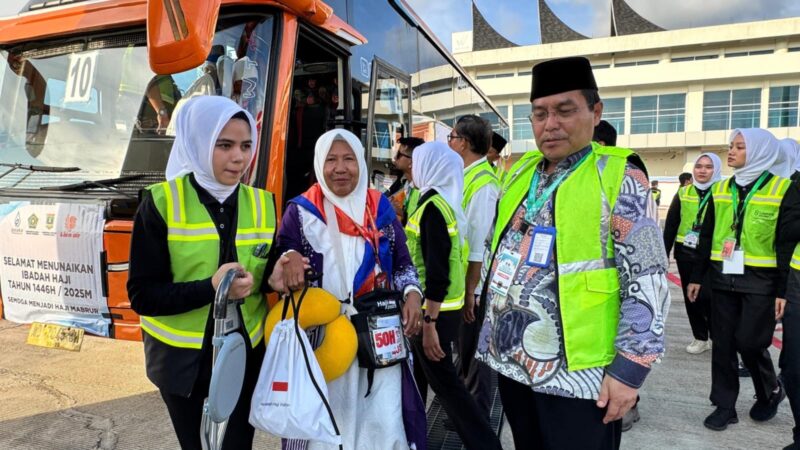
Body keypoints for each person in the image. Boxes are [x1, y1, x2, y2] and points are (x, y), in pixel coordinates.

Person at [477, 56, 669, 450]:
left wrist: (630, 371)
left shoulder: (618, 176)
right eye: (539, 114)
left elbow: (648, 278)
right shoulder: (520, 173)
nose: (550, 124)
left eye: (565, 111)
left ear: (595, 112)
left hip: (580, 374)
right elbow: (497, 248)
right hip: (513, 361)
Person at [128, 96, 283, 450]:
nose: (238, 157)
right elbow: (142, 295)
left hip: (243, 358)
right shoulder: (160, 203)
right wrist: (211, 288)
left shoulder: (261, 202)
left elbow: (264, 263)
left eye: (246, 146)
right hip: (183, 363)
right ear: (197, 142)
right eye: (224, 145)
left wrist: (277, 271)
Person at [275, 129, 425, 450]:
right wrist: (287, 259)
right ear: (319, 164)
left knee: (385, 425)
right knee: (327, 428)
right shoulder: (301, 212)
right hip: (326, 340)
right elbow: (283, 254)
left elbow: (401, 263)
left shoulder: (379, 207)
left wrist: (412, 292)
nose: (340, 168)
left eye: (348, 159)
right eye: (331, 159)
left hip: (378, 336)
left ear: (360, 162)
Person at [688, 128, 800, 431]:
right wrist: (697, 275)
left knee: (750, 343)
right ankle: (725, 405)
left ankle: (770, 390)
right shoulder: (721, 189)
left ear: (761, 152)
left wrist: (782, 290)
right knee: (723, 344)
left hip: (762, 280)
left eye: (740, 147)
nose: (732, 151)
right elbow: (707, 234)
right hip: (723, 276)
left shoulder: (783, 189)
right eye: (731, 146)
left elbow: (786, 244)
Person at [406, 141, 503, 449]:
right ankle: (413, 437)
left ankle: (485, 444)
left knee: (449, 389)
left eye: (416, 162)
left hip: (432, 313)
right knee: (420, 379)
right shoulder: (444, 202)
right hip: (442, 310)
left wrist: (429, 322)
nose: (411, 167)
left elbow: (436, 273)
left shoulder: (432, 208)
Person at [447, 115, 499, 419]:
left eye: (451, 137)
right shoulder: (467, 177)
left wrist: (471, 293)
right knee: (466, 354)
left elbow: (478, 245)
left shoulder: (483, 184)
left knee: (475, 357)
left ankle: (477, 419)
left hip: (475, 287)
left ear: (463, 143)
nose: (449, 143)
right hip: (465, 283)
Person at [664, 153, 723, 355]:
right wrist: (664, 252)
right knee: (692, 297)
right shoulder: (683, 192)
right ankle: (700, 337)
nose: (703, 170)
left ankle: (717, 336)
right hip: (686, 252)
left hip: (712, 253)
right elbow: (671, 224)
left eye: (708, 167)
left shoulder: (722, 192)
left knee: (710, 296)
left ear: (716, 169)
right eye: (699, 166)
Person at [387, 136, 425, 224]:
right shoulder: (405, 184)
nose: (395, 158)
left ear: (411, 161)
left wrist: (398, 211)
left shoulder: (422, 188)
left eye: (399, 155)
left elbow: (419, 222)